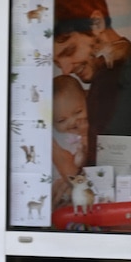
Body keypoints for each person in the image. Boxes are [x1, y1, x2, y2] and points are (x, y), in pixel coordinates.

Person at [54, 0, 131, 166]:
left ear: (97, 23)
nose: (66, 71)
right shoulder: (103, 78)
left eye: (70, 50)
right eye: (57, 64)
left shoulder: (115, 78)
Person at [52, 74, 91, 207]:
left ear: (86, 100)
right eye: (62, 120)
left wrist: (85, 136)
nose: (72, 122)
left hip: (78, 183)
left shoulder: (89, 129)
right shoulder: (56, 137)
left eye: (78, 112)